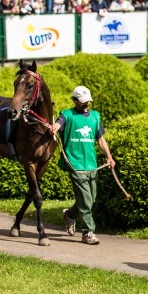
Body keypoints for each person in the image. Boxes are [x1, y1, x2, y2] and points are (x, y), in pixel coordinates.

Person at [49, 86, 115, 246]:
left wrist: (109, 156)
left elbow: (100, 139)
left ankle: (70, 215)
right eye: (82, 102)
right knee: (85, 201)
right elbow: (58, 125)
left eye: (88, 102)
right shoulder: (67, 115)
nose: (86, 104)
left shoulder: (95, 117)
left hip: (91, 164)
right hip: (75, 163)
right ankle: (88, 232)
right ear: (75, 100)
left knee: (90, 200)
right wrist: (54, 128)